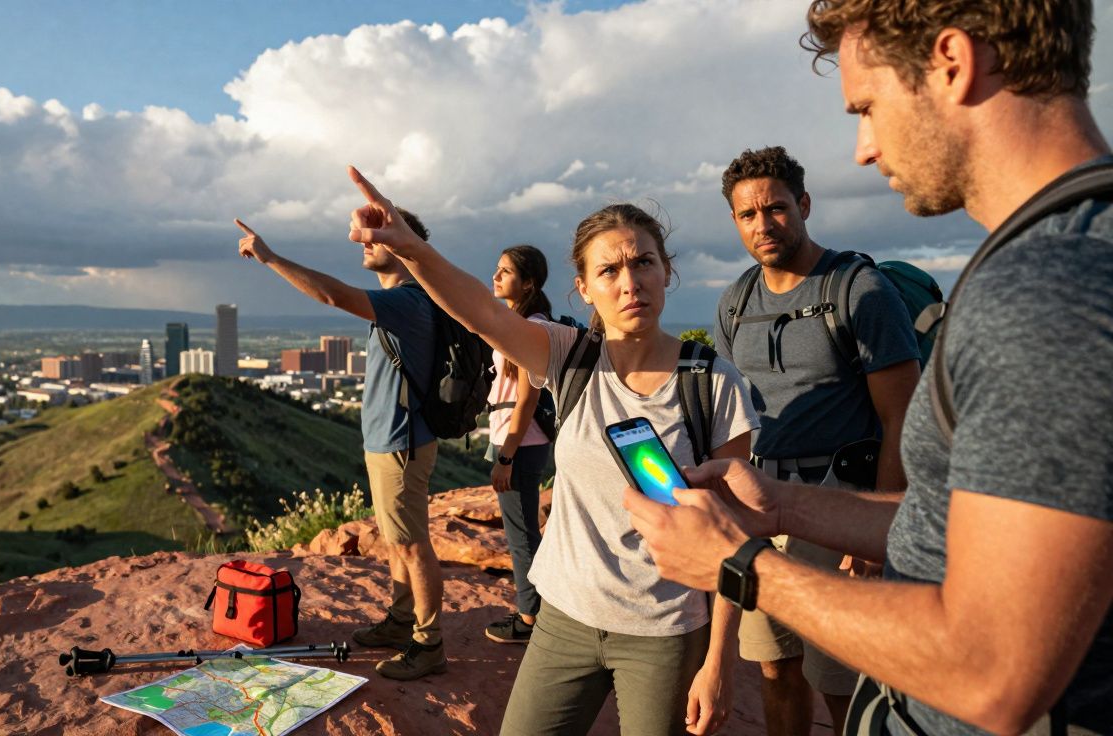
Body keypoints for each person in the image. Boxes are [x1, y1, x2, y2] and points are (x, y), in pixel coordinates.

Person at [625, 1, 1113, 733]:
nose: (864, 147)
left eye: (868, 106)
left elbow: (991, 673)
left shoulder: (1048, 290)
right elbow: (964, 523)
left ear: (952, 61)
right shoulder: (1070, 249)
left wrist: (742, 565)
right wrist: (783, 506)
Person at [343, 166, 760, 735]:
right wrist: (410, 247)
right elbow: (480, 310)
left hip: (664, 629)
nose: (630, 281)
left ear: (667, 271)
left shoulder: (713, 383)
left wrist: (719, 662)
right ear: (585, 288)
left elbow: (734, 538)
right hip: (564, 617)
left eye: (643, 263)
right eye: (609, 269)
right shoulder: (571, 356)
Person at [716, 145, 921, 733]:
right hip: (762, 503)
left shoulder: (859, 289)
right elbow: (731, 418)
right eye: (747, 215)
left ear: (803, 205)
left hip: (841, 501)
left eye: (776, 208)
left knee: (843, 681)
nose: (763, 224)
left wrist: (876, 536)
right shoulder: (737, 301)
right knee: (776, 667)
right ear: (734, 221)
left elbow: (900, 419)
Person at [233, 211, 449, 681]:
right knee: (396, 541)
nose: (363, 245)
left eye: (375, 238)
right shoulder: (401, 299)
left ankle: (429, 643)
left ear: (403, 245)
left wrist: (269, 258)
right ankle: (400, 620)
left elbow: (332, 294)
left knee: (412, 545)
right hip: (388, 439)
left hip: (401, 441)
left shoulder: (409, 300)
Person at [484, 244, 554, 645]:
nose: (496, 276)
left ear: (527, 283)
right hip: (518, 438)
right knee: (525, 528)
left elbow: (527, 399)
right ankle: (540, 608)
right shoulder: (518, 320)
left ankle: (529, 619)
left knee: (521, 532)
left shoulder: (532, 327)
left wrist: (506, 456)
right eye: (497, 268)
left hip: (520, 441)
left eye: (505, 271)